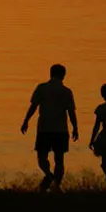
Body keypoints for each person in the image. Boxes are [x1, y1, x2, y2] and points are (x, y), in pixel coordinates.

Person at [21, 63, 78, 191]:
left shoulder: (41, 88)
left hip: (44, 128)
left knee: (41, 158)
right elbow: (71, 112)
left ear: (50, 73)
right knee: (59, 159)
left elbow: (33, 106)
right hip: (61, 130)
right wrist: (75, 128)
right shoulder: (67, 91)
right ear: (63, 75)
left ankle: (49, 176)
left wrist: (26, 121)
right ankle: (55, 185)